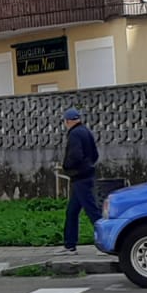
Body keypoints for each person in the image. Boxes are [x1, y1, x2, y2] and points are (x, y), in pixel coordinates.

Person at [60, 108, 99, 255]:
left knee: (92, 211)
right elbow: (95, 154)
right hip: (86, 175)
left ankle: (107, 241)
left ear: (67, 121)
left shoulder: (74, 134)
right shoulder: (86, 131)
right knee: (72, 211)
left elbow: (75, 155)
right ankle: (69, 245)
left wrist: (67, 166)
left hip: (80, 178)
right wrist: (88, 165)